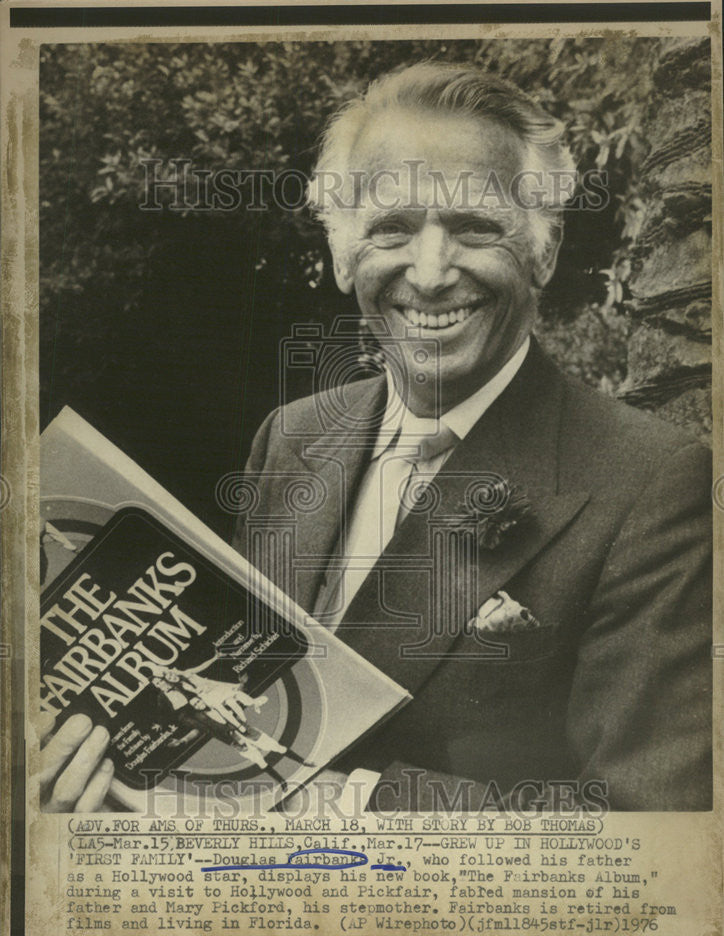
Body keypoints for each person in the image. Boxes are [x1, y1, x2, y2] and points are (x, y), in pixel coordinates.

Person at [232, 62, 712, 811]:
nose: (429, 274)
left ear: (544, 252)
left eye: (476, 227)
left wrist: (348, 803)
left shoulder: (655, 485)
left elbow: (644, 832)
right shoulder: (292, 437)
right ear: (340, 252)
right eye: (391, 228)